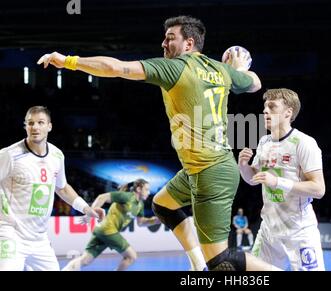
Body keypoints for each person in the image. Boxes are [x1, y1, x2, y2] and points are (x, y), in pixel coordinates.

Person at [38, 15, 279, 271]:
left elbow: (117, 68)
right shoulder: (220, 69)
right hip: (197, 170)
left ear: (189, 43)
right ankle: (197, 264)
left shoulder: (176, 67)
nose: (163, 43)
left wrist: (68, 61)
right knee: (163, 205)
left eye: (170, 38)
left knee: (221, 261)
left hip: (212, 173)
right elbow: (255, 83)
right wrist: (236, 70)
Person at [0, 106, 101, 271]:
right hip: (11, 234)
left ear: (49, 126)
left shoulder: (57, 155)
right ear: (25, 126)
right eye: (30, 123)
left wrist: (86, 208)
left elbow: (62, 188)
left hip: (39, 239)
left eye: (40, 122)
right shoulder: (9, 155)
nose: (35, 127)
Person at [238, 88, 326, 271]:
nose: (265, 111)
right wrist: (243, 166)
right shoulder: (264, 142)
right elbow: (253, 179)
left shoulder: (304, 143)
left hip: (299, 231)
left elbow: (318, 189)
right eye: (264, 107)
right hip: (269, 230)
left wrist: (277, 182)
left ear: (288, 112)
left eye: (272, 106)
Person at [62, 179, 160, 271]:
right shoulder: (127, 196)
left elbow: (141, 222)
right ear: (138, 189)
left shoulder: (140, 205)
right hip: (108, 229)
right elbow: (102, 197)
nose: (149, 192)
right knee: (131, 256)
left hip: (102, 231)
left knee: (85, 260)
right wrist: (90, 213)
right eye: (146, 189)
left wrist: (157, 220)